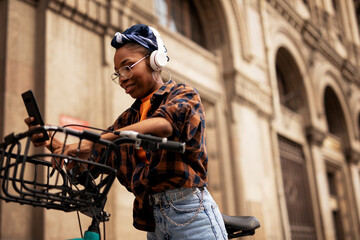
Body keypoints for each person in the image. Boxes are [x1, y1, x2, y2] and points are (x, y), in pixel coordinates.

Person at [25, 24, 228, 240]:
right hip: (154, 222)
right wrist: (54, 144)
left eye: (127, 67)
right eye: (118, 73)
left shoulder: (183, 94)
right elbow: (93, 160)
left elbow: (164, 125)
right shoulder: (127, 119)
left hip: (191, 215)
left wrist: (94, 142)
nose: (122, 78)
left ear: (155, 61)